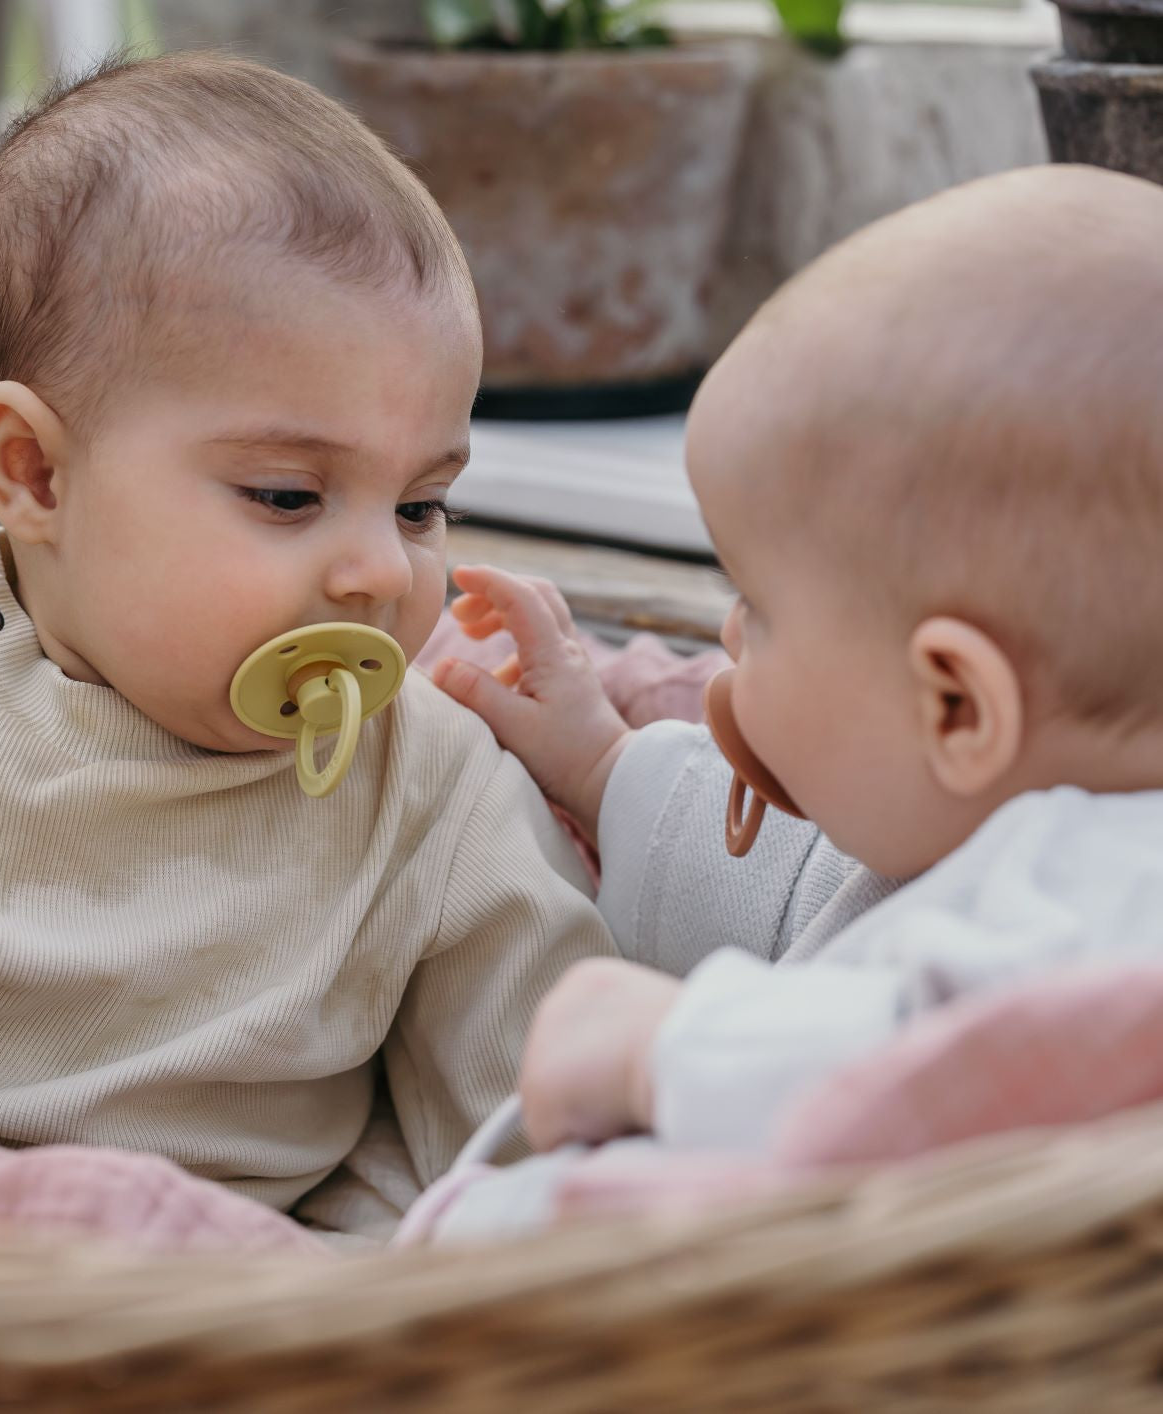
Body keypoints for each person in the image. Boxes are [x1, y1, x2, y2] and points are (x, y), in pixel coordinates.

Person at [0, 52, 615, 1242]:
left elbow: (542, 1132)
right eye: (286, 495)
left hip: (235, 1306)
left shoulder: (431, 784)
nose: (381, 570)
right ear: (35, 473)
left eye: (420, 506)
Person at [412, 164, 1163, 1240]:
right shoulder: (995, 826)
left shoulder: (1117, 898)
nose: (728, 637)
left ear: (956, 706)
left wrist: (661, 1049)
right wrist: (601, 764)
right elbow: (804, 883)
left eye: (758, 609)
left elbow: (928, 1068)